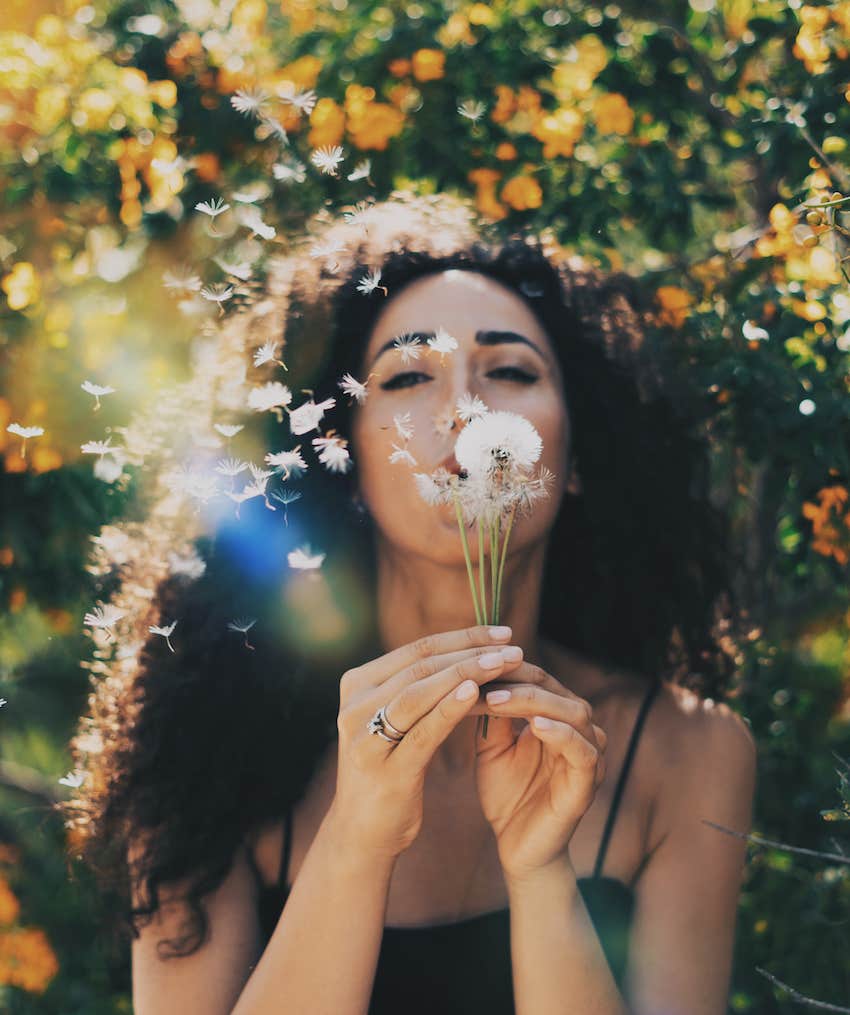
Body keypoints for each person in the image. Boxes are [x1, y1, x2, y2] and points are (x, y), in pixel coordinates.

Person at [63, 192, 757, 1014]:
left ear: (577, 458)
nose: (466, 411)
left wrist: (540, 873)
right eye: (407, 375)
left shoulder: (690, 751)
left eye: (509, 371)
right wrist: (358, 837)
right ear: (345, 460)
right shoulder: (205, 741)